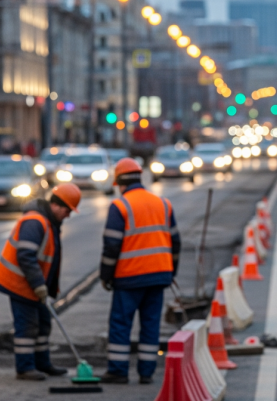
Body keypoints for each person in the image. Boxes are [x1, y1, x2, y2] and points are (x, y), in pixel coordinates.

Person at [99, 158, 181, 384]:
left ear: (119, 183)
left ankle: (118, 370)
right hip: (158, 276)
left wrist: (106, 275)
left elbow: (112, 246)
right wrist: (171, 272)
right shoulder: (163, 204)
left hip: (130, 277)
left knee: (120, 324)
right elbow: (176, 242)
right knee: (150, 325)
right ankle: (147, 372)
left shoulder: (120, 206)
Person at [0, 183, 82, 381]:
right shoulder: (35, 222)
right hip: (20, 284)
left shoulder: (49, 223)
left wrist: (45, 287)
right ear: (57, 206)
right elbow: (26, 255)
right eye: (67, 211)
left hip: (33, 285)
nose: (68, 216)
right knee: (27, 326)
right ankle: (25, 368)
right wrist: (39, 284)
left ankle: (42, 363)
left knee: (43, 323)